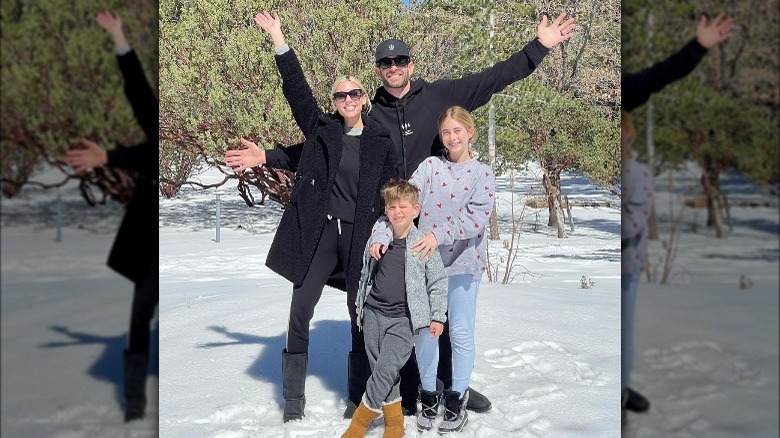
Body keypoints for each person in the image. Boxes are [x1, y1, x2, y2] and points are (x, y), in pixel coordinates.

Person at [346, 11, 576, 417]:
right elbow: (329, 140)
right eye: (385, 63)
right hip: (392, 222)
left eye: (400, 61)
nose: (394, 68)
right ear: (378, 71)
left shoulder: (439, 96)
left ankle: (455, 386)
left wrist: (539, 47)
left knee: (444, 314)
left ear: (411, 66)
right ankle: (382, 391)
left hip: (435, 229)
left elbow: (493, 78)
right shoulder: (369, 113)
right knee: (390, 310)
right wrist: (271, 156)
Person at [223, 12, 397, 423]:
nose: (349, 100)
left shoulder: (380, 141)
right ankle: (294, 402)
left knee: (360, 315)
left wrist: (392, 230)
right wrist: (278, 38)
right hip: (322, 234)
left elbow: (393, 193)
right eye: (341, 96)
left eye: (355, 93)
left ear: (364, 98)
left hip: (360, 239)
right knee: (300, 307)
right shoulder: (324, 129)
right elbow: (297, 94)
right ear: (334, 103)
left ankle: (358, 399)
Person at [620, 12, 734, 413]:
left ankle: (620, 390)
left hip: (627, 261)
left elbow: (656, 77)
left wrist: (696, 48)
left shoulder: (637, 168)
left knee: (626, 330)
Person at [370, 107, 496, 433]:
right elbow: (403, 203)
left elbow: (475, 218)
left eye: (458, 131)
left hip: (464, 263)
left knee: (461, 331)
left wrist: (436, 234)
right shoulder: (430, 167)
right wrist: (382, 234)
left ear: (470, 132)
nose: (452, 138)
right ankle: (429, 397)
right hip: (425, 266)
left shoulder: (482, 173)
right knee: (426, 332)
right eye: (446, 133)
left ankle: (456, 399)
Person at [65, 11, 159, 422]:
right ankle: (135, 406)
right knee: (140, 313)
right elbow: (139, 93)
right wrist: (119, 37)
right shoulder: (156, 121)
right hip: (150, 234)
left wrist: (110, 156)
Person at [341, 179, 448, 438]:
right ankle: (395, 423)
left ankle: (360, 421)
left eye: (403, 206)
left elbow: (437, 282)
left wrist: (437, 316)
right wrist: (359, 303)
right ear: (386, 210)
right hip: (374, 314)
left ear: (415, 210)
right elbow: (366, 273)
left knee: (387, 368)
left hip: (403, 320)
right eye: (392, 207)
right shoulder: (378, 240)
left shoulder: (422, 244)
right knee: (382, 370)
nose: (397, 212)